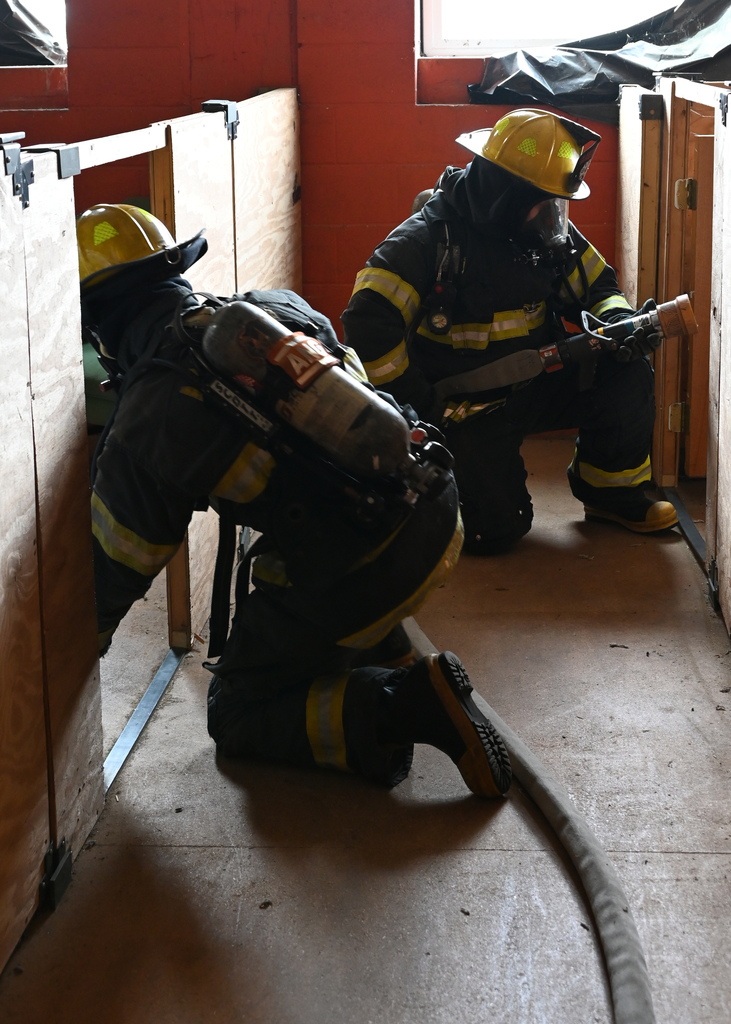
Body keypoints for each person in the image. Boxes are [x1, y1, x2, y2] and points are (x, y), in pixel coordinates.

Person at [77, 202, 511, 798]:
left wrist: (55, 670)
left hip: (368, 564)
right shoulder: (269, 312)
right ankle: (377, 643)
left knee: (236, 711)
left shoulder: (148, 414)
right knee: (308, 533)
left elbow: (114, 569)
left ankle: (402, 706)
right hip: (436, 501)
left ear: (98, 323)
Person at [342, 108, 678, 556]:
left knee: (625, 366)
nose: (554, 216)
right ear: (507, 195)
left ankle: (612, 495)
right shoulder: (426, 243)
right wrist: (415, 409)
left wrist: (617, 323)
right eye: (545, 201)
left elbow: (598, 286)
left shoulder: (541, 231)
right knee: (493, 533)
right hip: (462, 412)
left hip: (539, 382)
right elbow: (367, 323)